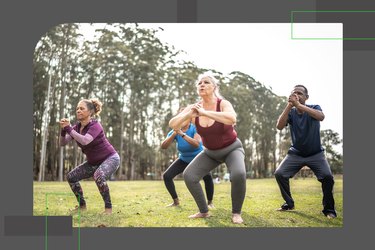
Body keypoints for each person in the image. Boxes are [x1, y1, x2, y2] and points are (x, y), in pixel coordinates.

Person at [169, 72, 247, 224]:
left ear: (214, 87)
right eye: (199, 83)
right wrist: (188, 115)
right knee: (189, 176)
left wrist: (205, 113)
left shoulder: (222, 103)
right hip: (210, 152)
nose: (202, 85)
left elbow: (232, 118)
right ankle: (204, 211)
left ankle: (236, 213)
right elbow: (173, 124)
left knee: (238, 174)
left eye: (206, 82)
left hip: (232, 148)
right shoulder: (194, 108)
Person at [274, 85, 337, 219]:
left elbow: (321, 117)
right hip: (295, 153)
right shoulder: (290, 112)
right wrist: (289, 106)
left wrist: (298, 105)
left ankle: (329, 210)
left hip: (316, 154)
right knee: (280, 174)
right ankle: (289, 203)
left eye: (300, 93)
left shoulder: (314, 108)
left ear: (306, 97)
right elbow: (279, 126)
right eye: (294, 93)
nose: (296, 95)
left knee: (327, 177)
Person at [59, 98, 120, 214]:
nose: (78, 111)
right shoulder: (76, 128)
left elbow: (85, 140)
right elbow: (62, 143)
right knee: (71, 177)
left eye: (82, 108)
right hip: (93, 163)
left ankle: (108, 209)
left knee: (99, 175)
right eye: (77, 108)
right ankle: (82, 206)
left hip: (110, 158)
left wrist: (68, 128)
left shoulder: (95, 125)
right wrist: (63, 130)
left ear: (90, 112)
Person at [161, 117, 214, 208]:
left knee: (207, 177)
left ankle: (210, 203)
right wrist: (174, 134)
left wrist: (182, 134)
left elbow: (197, 144)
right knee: (167, 176)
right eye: (180, 117)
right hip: (184, 159)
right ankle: (176, 201)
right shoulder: (175, 130)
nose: (181, 119)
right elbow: (163, 146)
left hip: (198, 158)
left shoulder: (195, 128)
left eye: (184, 117)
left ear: (189, 119)